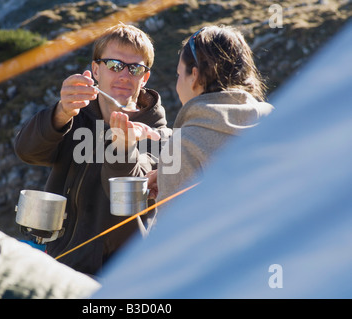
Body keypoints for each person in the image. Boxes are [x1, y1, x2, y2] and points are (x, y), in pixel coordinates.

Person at [14, 23, 172, 276]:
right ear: (95, 70)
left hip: (129, 276)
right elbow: (27, 152)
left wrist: (123, 148)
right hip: (63, 265)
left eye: (135, 68)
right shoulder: (73, 118)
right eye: (114, 65)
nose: (124, 75)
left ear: (145, 78)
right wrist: (60, 113)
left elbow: (131, 199)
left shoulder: (160, 135)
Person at [122, 25, 274, 204]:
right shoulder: (276, 121)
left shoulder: (186, 144)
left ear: (194, 76)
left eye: (179, 74)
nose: (178, 84)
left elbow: (174, 226)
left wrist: (174, 175)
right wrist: (166, 176)